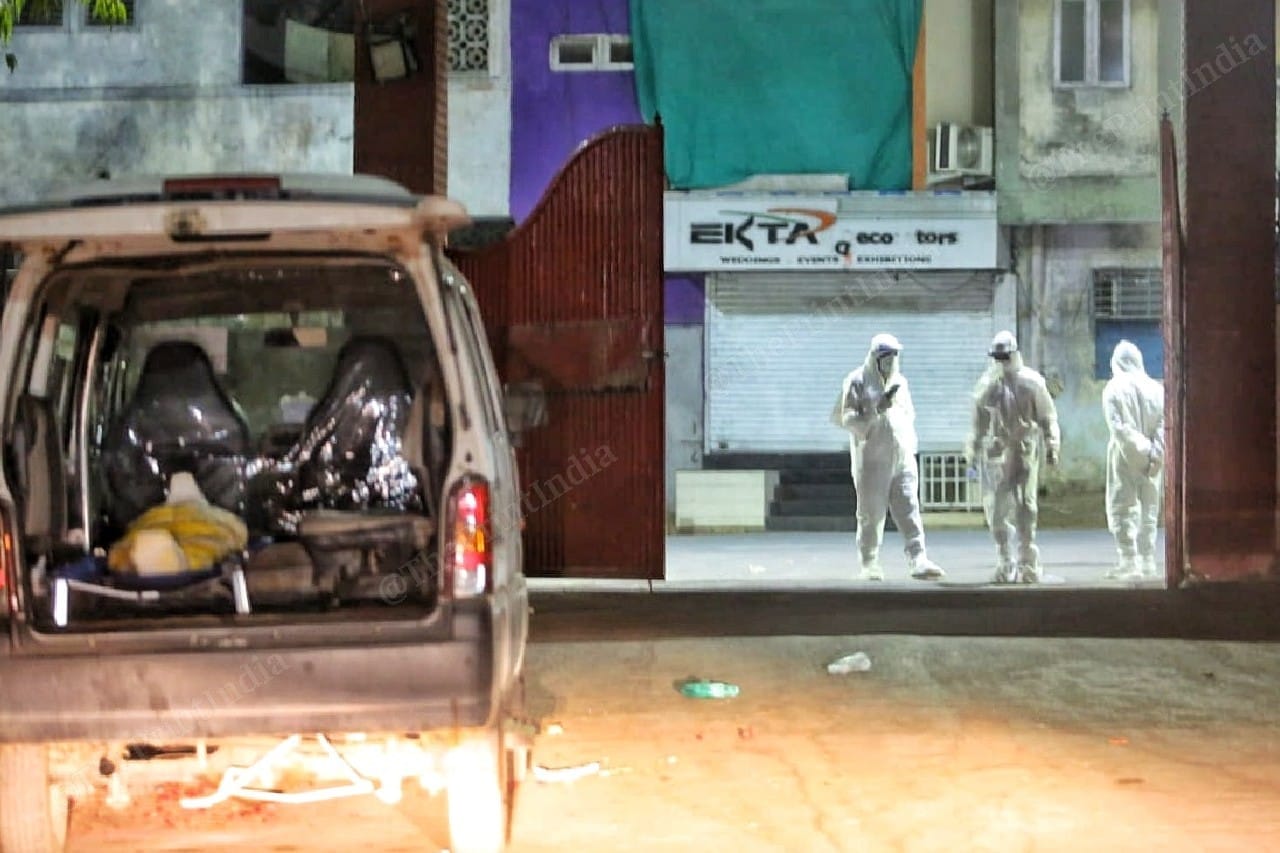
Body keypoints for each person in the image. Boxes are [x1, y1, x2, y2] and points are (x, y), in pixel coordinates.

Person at [839, 333, 945, 581]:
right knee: (871, 514)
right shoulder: (857, 381)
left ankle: (918, 558)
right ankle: (869, 562)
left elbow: (909, 416)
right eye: (887, 356)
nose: (891, 360)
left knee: (909, 508)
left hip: (902, 456)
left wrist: (910, 447)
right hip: (873, 461)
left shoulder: (901, 383)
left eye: (895, 355)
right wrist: (876, 410)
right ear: (875, 357)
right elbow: (848, 418)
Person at [965, 330, 1060, 584]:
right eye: (997, 357)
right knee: (996, 511)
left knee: (1025, 508)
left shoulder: (1031, 382)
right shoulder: (987, 386)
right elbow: (978, 423)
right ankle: (1005, 560)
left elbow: (1048, 416)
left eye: (1004, 356)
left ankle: (1028, 563)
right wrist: (972, 451)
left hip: (1024, 452)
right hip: (996, 455)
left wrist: (1052, 444)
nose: (1001, 361)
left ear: (1014, 354)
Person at [1101, 340, 1164, 580]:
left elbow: (1120, 429)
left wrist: (1140, 453)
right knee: (1150, 507)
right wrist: (1154, 455)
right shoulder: (1157, 389)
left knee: (1123, 506)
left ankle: (1129, 560)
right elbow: (1164, 426)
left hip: (1125, 456)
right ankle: (1148, 558)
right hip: (1154, 461)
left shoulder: (1113, 389)